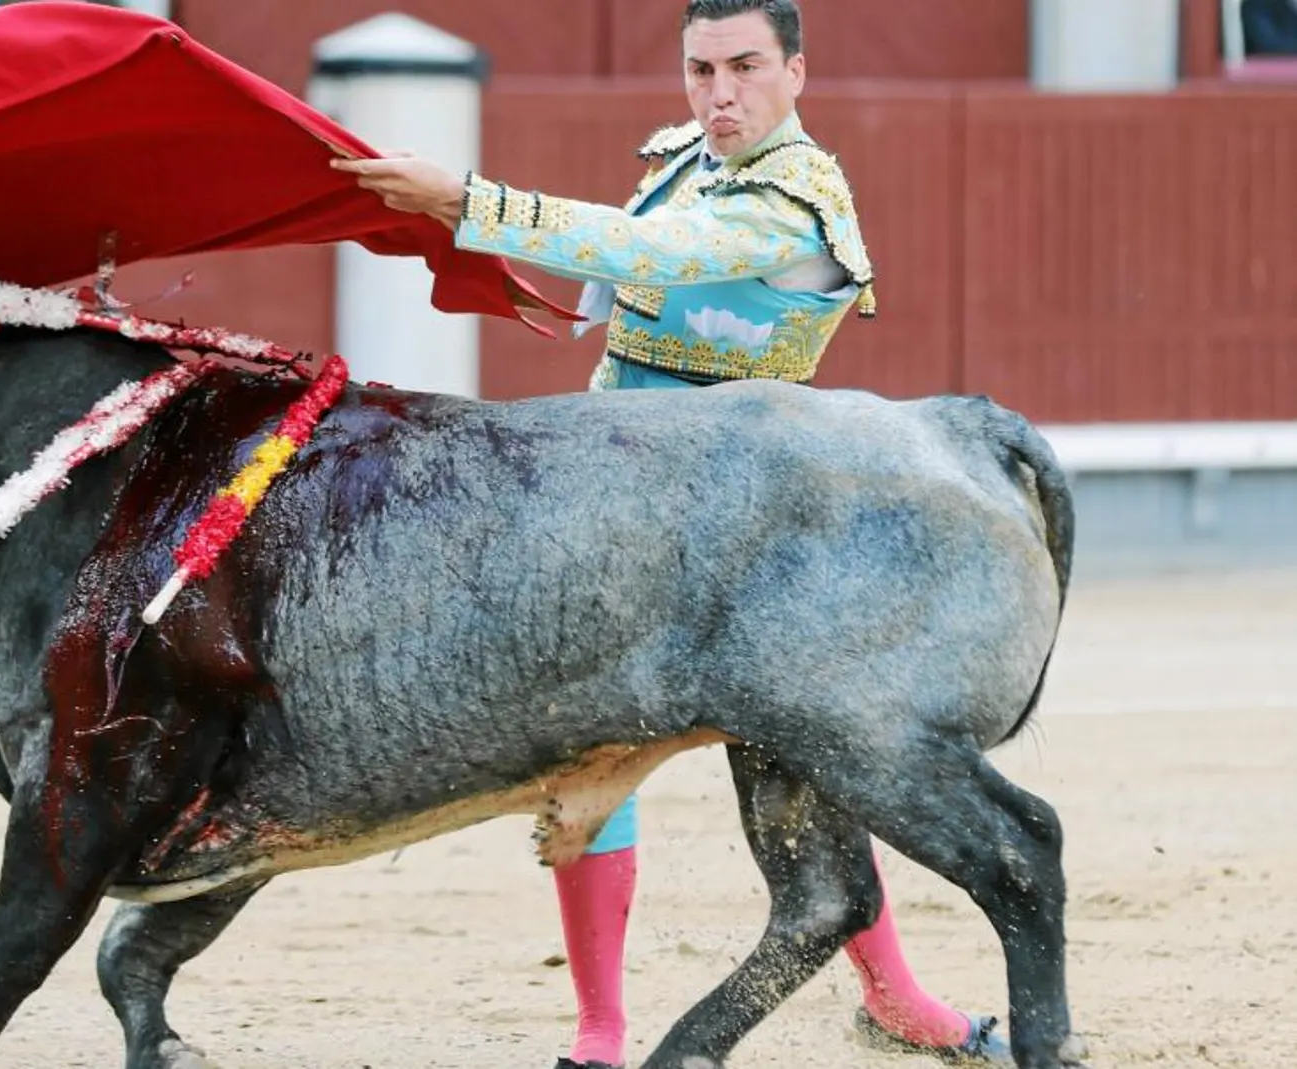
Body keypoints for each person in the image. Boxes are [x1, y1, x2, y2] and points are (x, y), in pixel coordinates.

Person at [330, 2, 1011, 1066]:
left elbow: (649, 249)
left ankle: (900, 998)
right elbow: (620, 279)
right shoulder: (682, 161)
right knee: (583, 739)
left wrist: (467, 201)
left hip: (753, 530)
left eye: (744, 67)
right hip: (619, 499)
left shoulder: (799, 202)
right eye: (700, 69)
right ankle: (600, 1031)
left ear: (796, 71)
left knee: (810, 769)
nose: (719, 92)